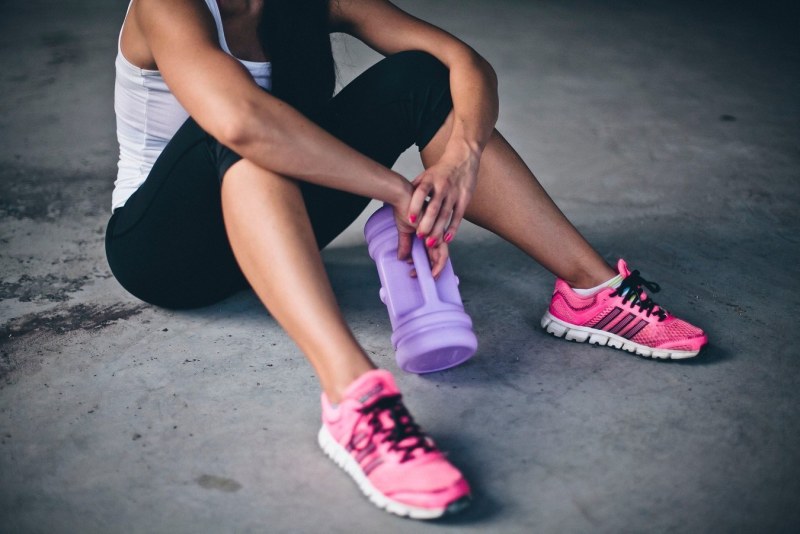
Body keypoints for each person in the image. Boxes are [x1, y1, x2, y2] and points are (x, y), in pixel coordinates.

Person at [104, 0, 708, 519]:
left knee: (420, 75)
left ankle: (587, 290)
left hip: (274, 227)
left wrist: (461, 158)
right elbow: (241, 120)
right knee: (237, 128)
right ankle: (354, 402)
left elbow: (465, 63)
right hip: (166, 252)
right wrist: (395, 188)